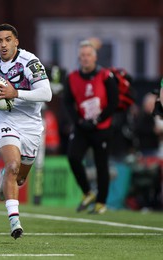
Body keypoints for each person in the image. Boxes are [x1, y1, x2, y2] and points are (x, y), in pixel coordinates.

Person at [0, 23, 52, 239]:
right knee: (12, 165)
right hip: (5, 120)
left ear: (16, 41)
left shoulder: (30, 62)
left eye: (8, 39)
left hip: (31, 125)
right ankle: (14, 221)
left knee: (19, 177)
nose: (3, 44)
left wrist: (15, 93)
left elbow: (47, 93)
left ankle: (5, 180)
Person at [63, 40, 119, 214]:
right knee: (73, 157)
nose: (85, 59)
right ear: (79, 59)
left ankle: (101, 202)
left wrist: (98, 119)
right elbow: (67, 101)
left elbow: (113, 102)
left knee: (101, 164)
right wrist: (78, 121)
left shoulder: (105, 76)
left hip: (102, 127)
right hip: (82, 127)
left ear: (94, 57)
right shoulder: (71, 77)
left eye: (88, 55)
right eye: (82, 56)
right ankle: (88, 192)